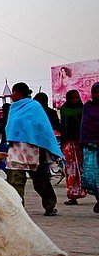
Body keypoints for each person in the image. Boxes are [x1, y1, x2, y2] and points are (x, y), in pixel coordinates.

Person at [5, 82, 62, 216]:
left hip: (34, 149)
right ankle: (18, 208)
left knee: (40, 180)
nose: (12, 95)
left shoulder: (34, 106)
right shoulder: (13, 108)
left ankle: (50, 204)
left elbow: (42, 126)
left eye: (13, 92)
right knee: (14, 179)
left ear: (19, 93)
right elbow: (10, 127)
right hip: (16, 148)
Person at [59, 89, 85, 205]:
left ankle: (87, 192)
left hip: (83, 142)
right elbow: (64, 127)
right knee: (70, 170)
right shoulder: (64, 110)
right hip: (69, 143)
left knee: (85, 169)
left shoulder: (85, 109)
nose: (75, 100)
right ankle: (72, 195)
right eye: (73, 98)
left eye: (77, 98)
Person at [80, 82, 99, 213]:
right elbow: (85, 126)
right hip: (91, 146)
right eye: (96, 92)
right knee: (93, 177)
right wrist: (84, 142)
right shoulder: (88, 106)